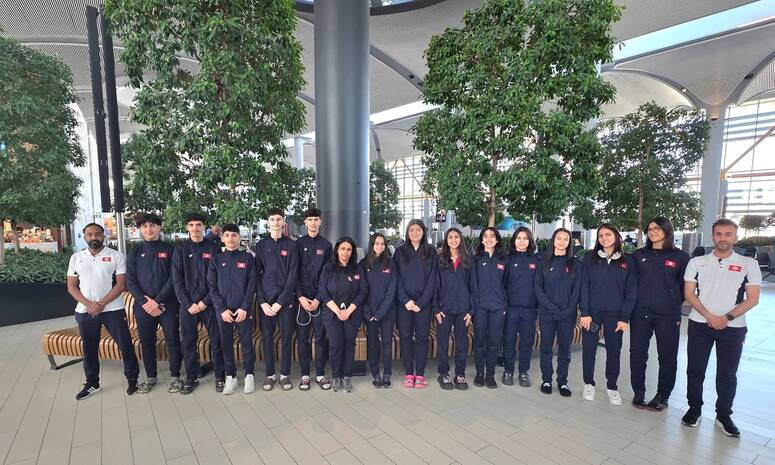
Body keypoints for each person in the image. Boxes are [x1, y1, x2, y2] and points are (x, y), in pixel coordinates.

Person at [681, 219, 761, 437]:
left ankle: (723, 415)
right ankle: (694, 409)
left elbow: (753, 299)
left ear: (735, 237)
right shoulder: (697, 262)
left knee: (727, 373)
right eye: (718, 234)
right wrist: (709, 316)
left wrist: (726, 318)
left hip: (733, 327)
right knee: (695, 369)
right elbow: (689, 294)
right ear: (713, 236)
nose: (723, 238)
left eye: (728, 234)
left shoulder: (748, 264)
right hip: (700, 324)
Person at [67, 223, 139, 399]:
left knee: (125, 345)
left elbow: (121, 285)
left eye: (97, 234)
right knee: (89, 348)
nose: (94, 237)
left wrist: (101, 304)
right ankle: (92, 382)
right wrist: (89, 304)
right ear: (85, 237)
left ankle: (132, 379)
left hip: (113, 309)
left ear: (103, 235)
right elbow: (71, 287)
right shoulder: (76, 258)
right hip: (85, 311)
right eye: (90, 234)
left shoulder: (116, 256)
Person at [630, 217, 689, 411]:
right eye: (650, 229)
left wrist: (673, 303)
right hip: (640, 313)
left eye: (657, 228)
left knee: (667, 357)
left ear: (667, 230)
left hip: (667, 315)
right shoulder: (639, 255)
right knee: (637, 354)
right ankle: (638, 393)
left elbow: (686, 287)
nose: (652, 232)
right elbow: (631, 282)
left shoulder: (680, 257)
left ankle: (663, 396)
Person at [580, 223, 637, 405]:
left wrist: (624, 317)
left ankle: (612, 387)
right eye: (601, 235)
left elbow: (631, 291)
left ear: (617, 236)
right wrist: (585, 312)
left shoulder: (628, 261)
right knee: (589, 349)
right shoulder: (589, 259)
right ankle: (588, 383)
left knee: (614, 351)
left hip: (615, 314)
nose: (604, 238)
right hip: (592, 314)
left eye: (608, 234)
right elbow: (584, 286)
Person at [126, 213, 183, 394]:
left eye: (152, 225)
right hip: (143, 306)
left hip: (168, 305)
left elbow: (174, 278)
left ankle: (175, 376)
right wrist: (145, 302)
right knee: (147, 342)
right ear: (140, 229)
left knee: (173, 340)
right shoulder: (135, 251)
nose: (148, 229)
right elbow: (130, 281)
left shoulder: (171, 249)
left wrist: (157, 301)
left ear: (159, 227)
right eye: (144, 226)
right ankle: (151, 377)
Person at [171, 213, 225, 394]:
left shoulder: (214, 248)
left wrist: (204, 302)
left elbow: (218, 278)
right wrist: (188, 304)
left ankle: (220, 376)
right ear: (187, 227)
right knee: (188, 342)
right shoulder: (180, 250)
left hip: (210, 304)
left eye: (199, 224)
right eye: (192, 225)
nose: (195, 228)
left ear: (204, 227)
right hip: (188, 306)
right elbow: (177, 279)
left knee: (216, 340)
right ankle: (191, 378)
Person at [207, 224, 257, 395]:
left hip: (243, 310)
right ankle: (231, 376)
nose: (230, 239)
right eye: (227, 235)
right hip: (223, 311)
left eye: (234, 235)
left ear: (239, 238)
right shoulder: (216, 259)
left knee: (247, 343)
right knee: (226, 344)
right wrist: (222, 309)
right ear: (222, 238)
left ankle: (249, 375)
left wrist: (244, 307)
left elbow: (251, 285)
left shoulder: (247, 258)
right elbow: (212, 287)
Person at [534, 228, 582, 397]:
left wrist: (568, 310)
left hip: (567, 315)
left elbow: (577, 291)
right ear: (553, 240)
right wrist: (552, 308)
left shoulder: (576, 264)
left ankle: (562, 382)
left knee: (565, 350)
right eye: (559, 238)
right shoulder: (543, 262)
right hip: (547, 313)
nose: (562, 242)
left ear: (569, 242)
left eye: (565, 239)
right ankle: (546, 380)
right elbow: (538, 288)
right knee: (546, 348)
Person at [255, 208, 298, 391]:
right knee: (267, 338)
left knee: (286, 338)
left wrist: (280, 301)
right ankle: (270, 375)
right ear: (268, 222)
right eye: (272, 219)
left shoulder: (291, 245)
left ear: (283, 221)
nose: (275, 222)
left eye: (278, 219)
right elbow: (256, 275)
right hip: (266, 301)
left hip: (285, 301)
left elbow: (293, 276)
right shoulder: (261, 245)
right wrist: (263, 302)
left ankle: (285, 375)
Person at [317, 237, 367, 392]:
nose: (345, 252)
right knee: (335, 345)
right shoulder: (328, 268)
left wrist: (348, 311)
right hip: (332, 314)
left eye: (349, 249)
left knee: (349, 345)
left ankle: (347, 376)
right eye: (342, 249)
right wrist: (338, 311)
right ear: (337, 250)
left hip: (352, 314)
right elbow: (323, 292)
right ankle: (336, 376)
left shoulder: (357, 269)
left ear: (352, 252)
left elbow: (363, 292)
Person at [394, 219, 438, 389]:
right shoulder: (400, 252)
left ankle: (419, 374)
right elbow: (395, 278)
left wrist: (421, 302)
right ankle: (408, 374)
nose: (414, 233)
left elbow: (433, 279)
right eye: (411, 230)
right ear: (407, 232)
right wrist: (405, 300)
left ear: (423, 232)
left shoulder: (431, 251)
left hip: (423, 305)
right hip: (404, 304)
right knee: (405, 337)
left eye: (418, 229)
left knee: (421, 338)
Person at [295, 207, 333, 391]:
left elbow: (328, 275)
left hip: (320, 301)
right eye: (309, 219)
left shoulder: (326, 245)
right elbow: (293, 274)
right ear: (305, 222)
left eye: (316, 219)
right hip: (301, 301)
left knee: (320, 338)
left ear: (320, 222)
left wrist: (318, 298)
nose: (313, 222)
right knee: (302, 339)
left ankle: (319, 374)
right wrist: (300, 297)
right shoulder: (297, 244)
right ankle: (304, 375)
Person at [434, 227, 476, 390]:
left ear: (461, 239)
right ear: (446, 240)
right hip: (444, 309)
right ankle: (443, 374)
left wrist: (471, 311)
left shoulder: (468, 260)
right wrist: (436, 309)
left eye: (456, 237)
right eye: (450, 237)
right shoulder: (440, 260)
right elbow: (435, 286)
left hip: (463, 310)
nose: (453, 240)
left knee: (461, 343)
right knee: (443, 343)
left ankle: (460, 374)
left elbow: (473, 287)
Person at [503, 226, 540, 387]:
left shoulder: (536, 261)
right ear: (514, 241)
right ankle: (508, 371)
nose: (522, 241)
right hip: (511, 309)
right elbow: (503, 284)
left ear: (530, 241)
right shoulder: (507, 259)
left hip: (530, 310)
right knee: (509, 341)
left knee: (526, 342)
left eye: (525, 238)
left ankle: (523, 372)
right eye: (519, 238)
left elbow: (539, 285)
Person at [360, 233, 398, 388]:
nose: (380, 246)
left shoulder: (391, 264)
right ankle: (375, 373)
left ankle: (387, 373)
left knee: (387, 343)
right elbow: (361, 290)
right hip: (370, 313)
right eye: (377, 243)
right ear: (371, 244)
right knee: (373, 344)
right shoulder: (363, 264)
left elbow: (392, 291)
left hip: (387, 312)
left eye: (382, 244)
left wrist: (381, 312)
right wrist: (368, 312)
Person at [473, 227, 509, 389]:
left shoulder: (504, 260)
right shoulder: (476, 259)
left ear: (497, 239)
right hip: (480, 308)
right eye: (485, 236)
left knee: (494, 342)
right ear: (481, 239)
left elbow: (507, 284)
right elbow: (472, 284)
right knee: (480, 341)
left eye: (492, 236)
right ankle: (479, 373)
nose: (489, 239)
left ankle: (490, 375)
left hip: (498, 308)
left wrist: (503, 304)